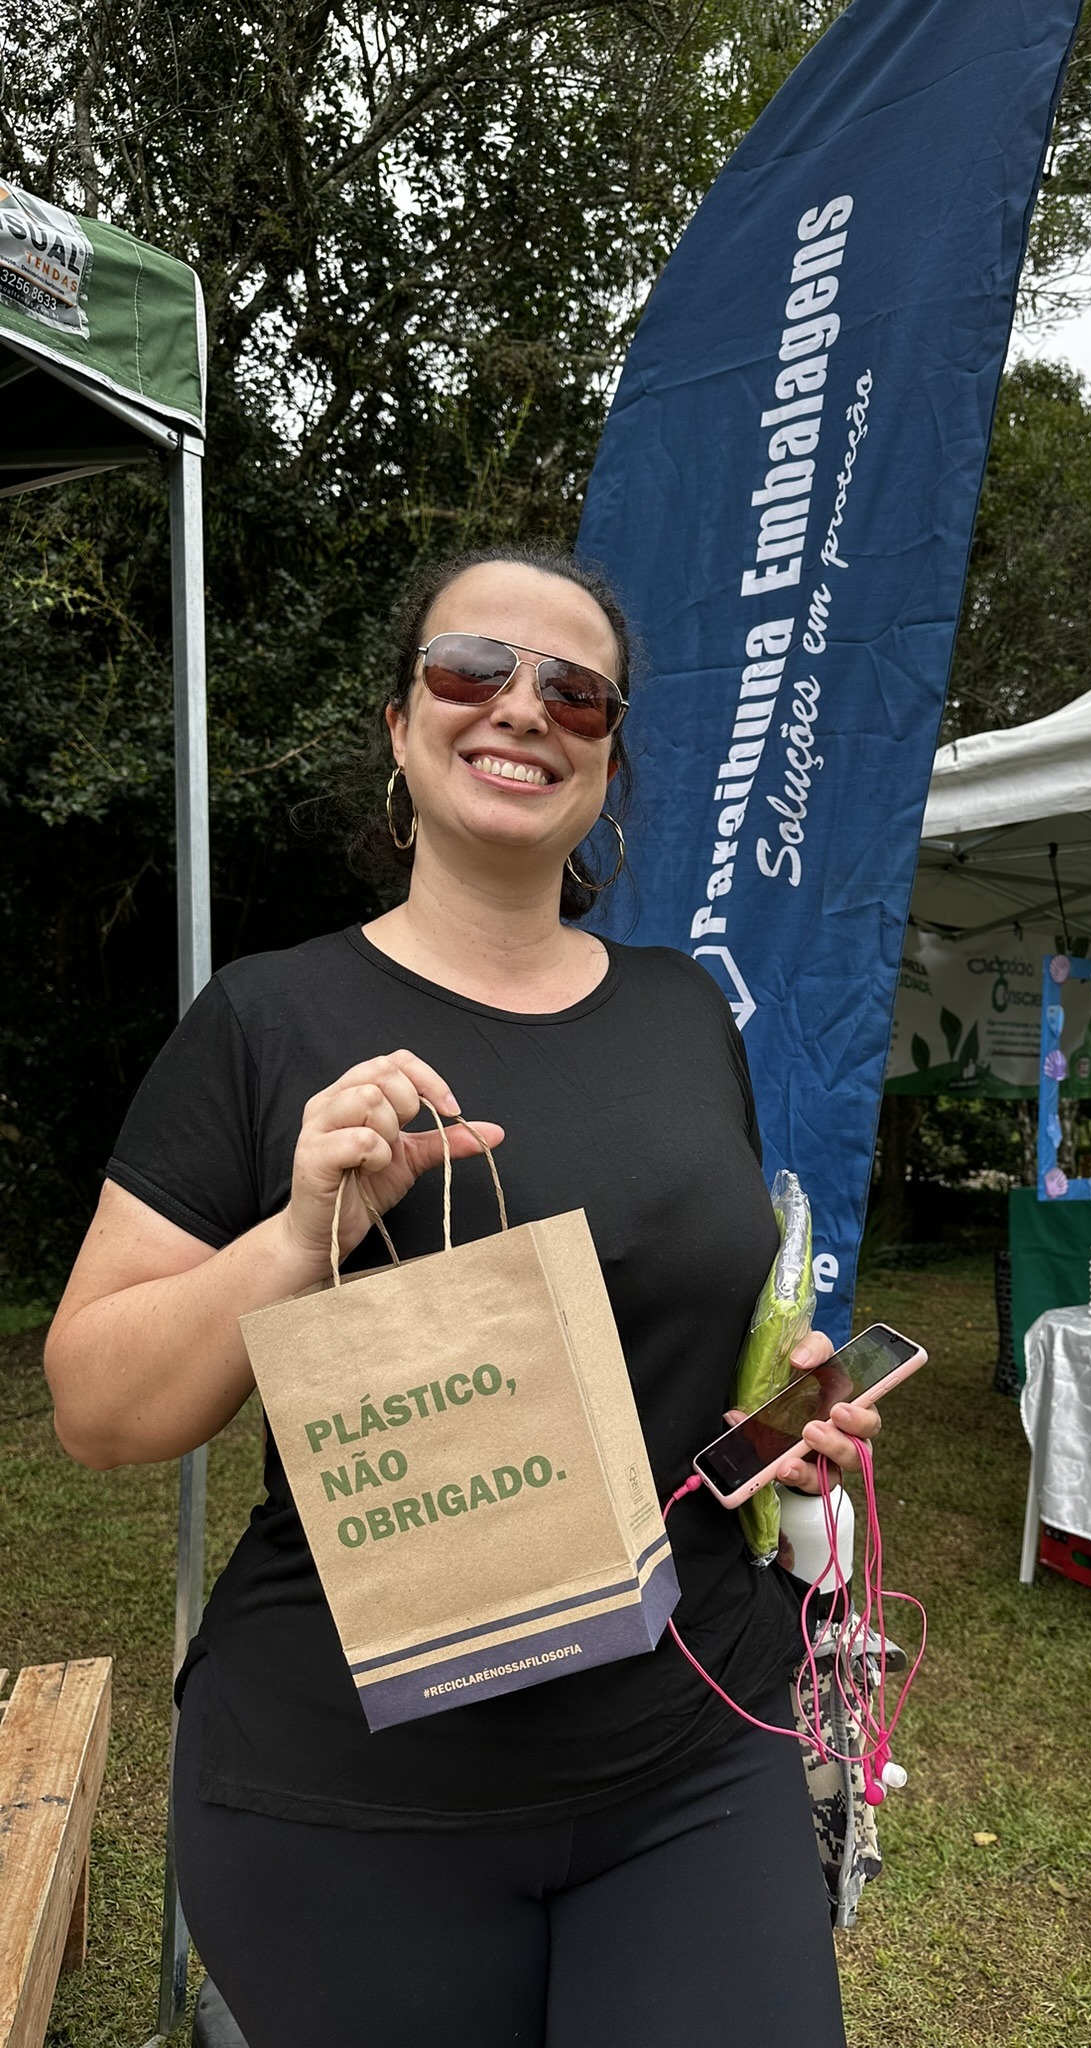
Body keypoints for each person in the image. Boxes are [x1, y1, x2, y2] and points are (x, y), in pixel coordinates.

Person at [43, 547, 879, 2048]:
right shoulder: (269, 1018)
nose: (523, 710)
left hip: (694, 1750)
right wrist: (293, 1240)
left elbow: (685, 1349)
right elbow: (97, 1407)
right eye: (471, 668)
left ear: (610, 755)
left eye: (577, 689)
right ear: (399, 724)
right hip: (356, 1793)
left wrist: (771, 1433)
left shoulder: (685, 1013)